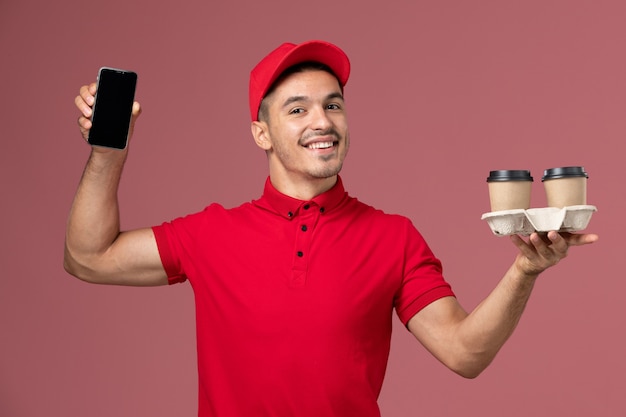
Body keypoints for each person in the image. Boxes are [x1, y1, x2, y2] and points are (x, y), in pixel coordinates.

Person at [65, 40, 598, 417]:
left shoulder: (393, 237)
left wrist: (525, 269)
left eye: (333, 105)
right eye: (297, 109)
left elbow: (465, 353)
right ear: (262, 133)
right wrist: (109, 151)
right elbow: (87, 257)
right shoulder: (210, 234)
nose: (322, 121)